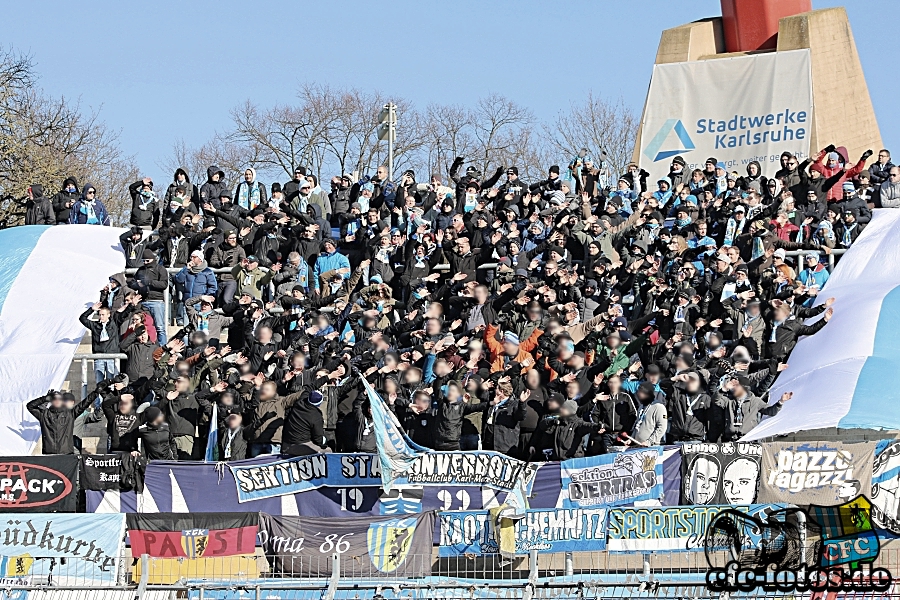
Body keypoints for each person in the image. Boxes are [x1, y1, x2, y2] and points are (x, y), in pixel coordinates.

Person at [27, 390, 94, 454]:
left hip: (66, 453)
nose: (57, 401)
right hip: (48, 453)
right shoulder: (44, 414)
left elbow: (84, 404)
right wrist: (44, 399)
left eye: (59, 399)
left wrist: (96, 392)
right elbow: (30, 406)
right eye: (54, 399)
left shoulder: (70, 414)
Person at [131, 249, 169, 345]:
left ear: (152, 259)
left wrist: (150, 282)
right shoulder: (140, 270)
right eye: (143, 261)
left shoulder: (160, 269)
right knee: (144, 326)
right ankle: (146, 346)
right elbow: (132, 283)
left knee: (160, 327)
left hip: (157, 301)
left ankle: (162, 348)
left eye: (147, 261)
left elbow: (164, 284)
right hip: (143, 301)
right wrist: (137, 285)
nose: (145, 263)